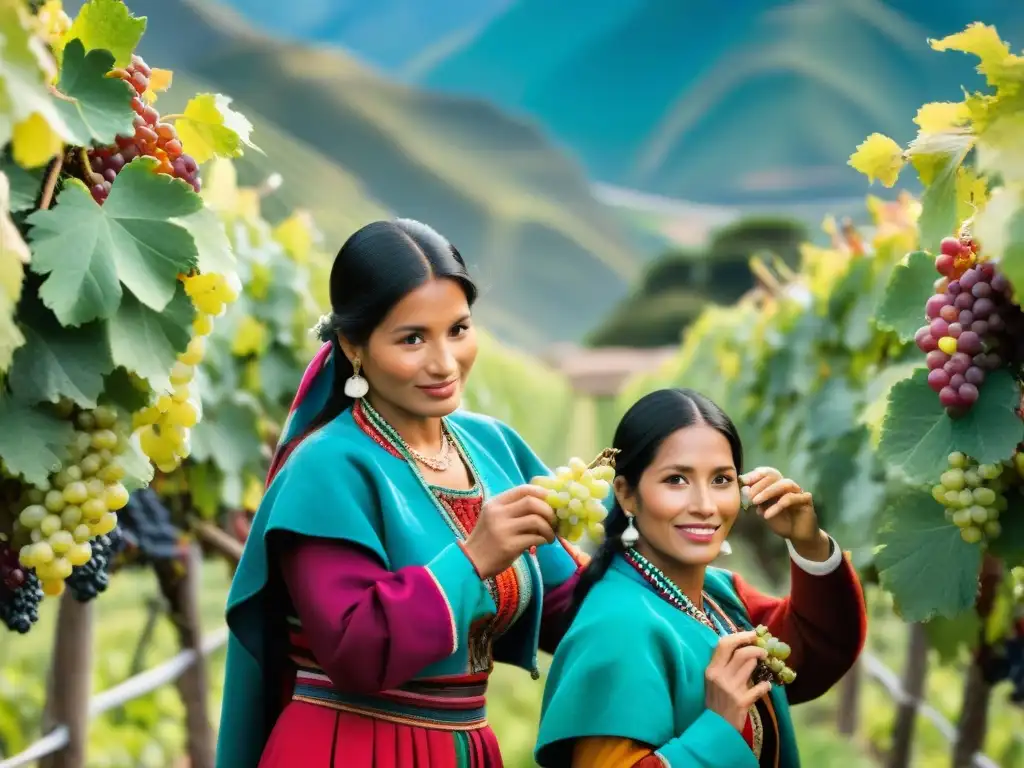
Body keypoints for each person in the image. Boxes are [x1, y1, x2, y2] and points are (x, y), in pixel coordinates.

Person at [216, 219, 587, 768]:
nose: (444, 362)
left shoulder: (492, 446)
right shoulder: (327, 467)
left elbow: (567, 606)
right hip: (352, 750)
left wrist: (689, 579)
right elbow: (354, 651)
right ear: (353, 345)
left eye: (458, 329)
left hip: (466, 747)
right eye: (412, 338)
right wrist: (475, 557)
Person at [534, 388, 867, 768]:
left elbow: (814, 648)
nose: (705, 506)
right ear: (626, 494)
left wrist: (808, 543)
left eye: (721, 480)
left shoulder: (716, 594)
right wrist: (720, 725)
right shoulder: (617, 627)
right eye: (677, 479)